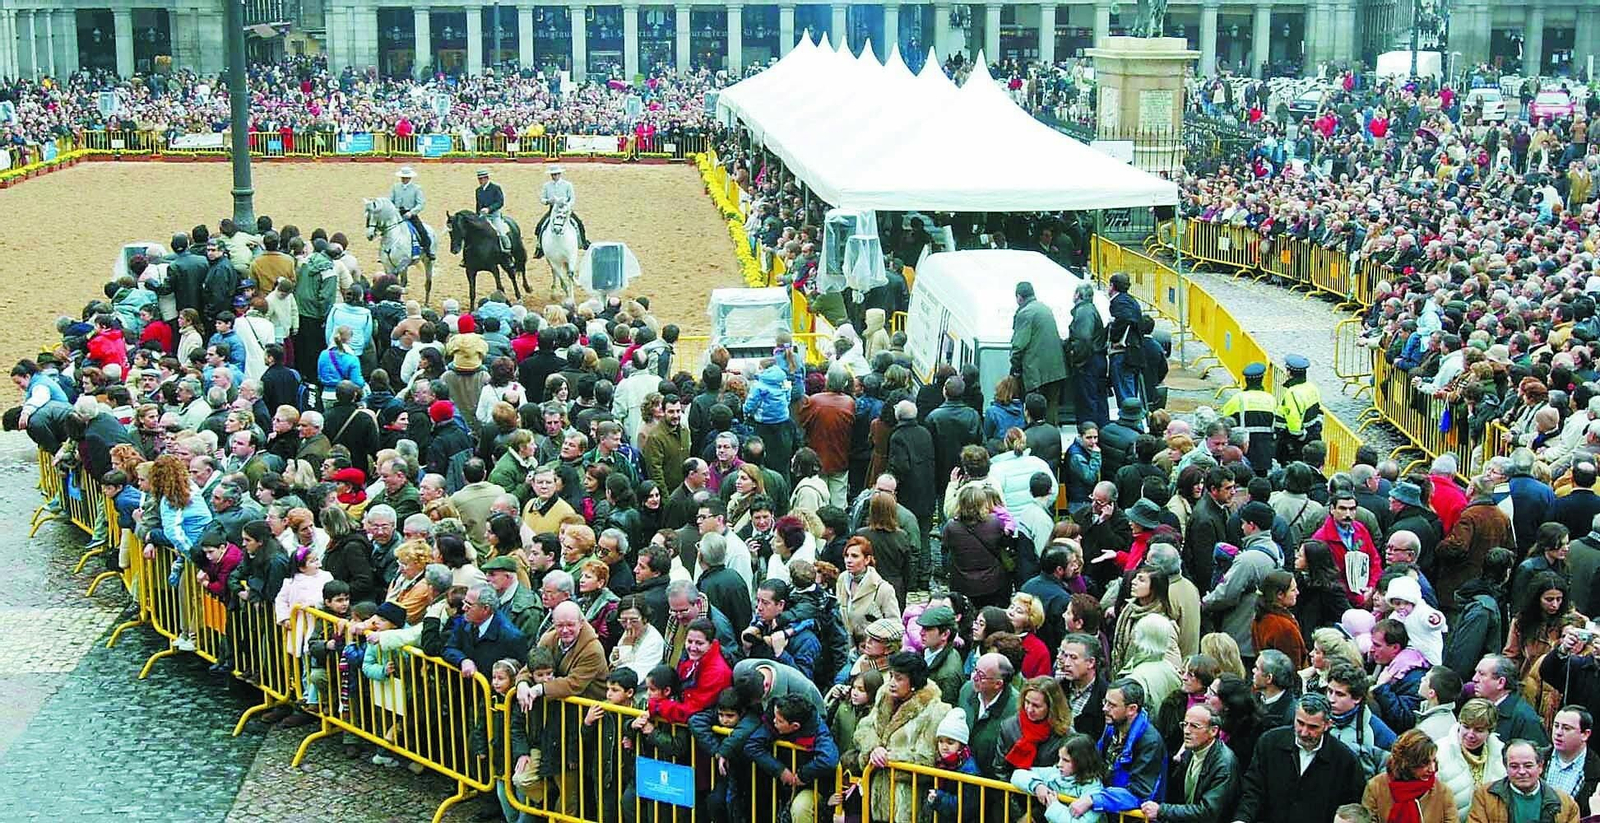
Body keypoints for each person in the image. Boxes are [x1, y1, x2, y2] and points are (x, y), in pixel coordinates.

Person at [1230, 693, 1366, 823]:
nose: (1304, 732)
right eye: (1300, 723)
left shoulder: (1345, 761)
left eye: (1313, 727)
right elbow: (1253, 790)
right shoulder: (1270, 743)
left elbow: (1349, 810)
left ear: (1327, 725)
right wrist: (1242, 818)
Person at [853, 651, 953, 823]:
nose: (891, 683)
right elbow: (864, 727)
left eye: (898, 678)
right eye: (891, 676)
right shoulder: (884, 695)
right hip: (876, 797)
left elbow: (927, 759)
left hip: (908, 804)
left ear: (913, 680)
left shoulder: (936, 710)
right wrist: (873, 748)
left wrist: (888, 757)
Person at [1068, 678, 1165, 816]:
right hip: (1110, 808)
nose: (1104, 708)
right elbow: (1097, 762)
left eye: (1112, 705)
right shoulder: (1112, 726)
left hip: (1133, 816)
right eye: (1105, 702)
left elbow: (1139, 792)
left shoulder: (1150, 742)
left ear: (1132, 709)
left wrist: (1093, 799)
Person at [1140, 702, 1241, 823]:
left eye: (1194, 726)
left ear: (1213, 731)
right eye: (1185, 724)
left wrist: (1162, 811)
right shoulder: (1190, 752)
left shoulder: (1224, 763)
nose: (1187, 731)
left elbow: (1209, 812)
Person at [1464, 739, 1580, 823]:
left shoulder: (1565, 803)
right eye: (1514, 766)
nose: (1522, 771)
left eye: (1528, 766)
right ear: (1505, 767)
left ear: (1540, 767)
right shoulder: (1485, 796)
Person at [1361, 729, 1458, 823]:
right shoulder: (1375, 788)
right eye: (1424, 763)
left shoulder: (1443, 792)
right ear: (1406, 763)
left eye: (1433, 761)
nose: (1432, 769)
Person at [1436, 698, 1507, 818]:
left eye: (1479, 730)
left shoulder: (1501, 753)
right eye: (1466, 727)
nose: (1470, 734)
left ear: (1490, 731)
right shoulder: (1439, 752)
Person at [1011, 281, 1069, 425]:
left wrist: (1015, 367)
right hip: (1056, 370)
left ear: (1019, 297)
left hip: (1036, 373)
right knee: (1051, 408)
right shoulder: (1045, 309)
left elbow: (1019, 345)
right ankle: (1051, 437)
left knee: (1034, 410)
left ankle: (1036, 441)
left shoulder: (1025, 313)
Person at [1471, 655, 1549, 746]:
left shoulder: (1525, 719)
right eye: (1476, 673)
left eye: (1481, 674)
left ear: (1501, 682)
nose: (1474, 679)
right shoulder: (1476, 706)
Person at [1221, 363, 1277, 476]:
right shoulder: (1271, 399)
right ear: (1262, 380)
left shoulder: (1238, 399)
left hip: (1244, 449)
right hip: (1265, 450)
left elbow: (1225, 421)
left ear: (1246, 380)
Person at [1545, 706, 1599, 817]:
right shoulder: (1537, 759)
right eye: (1556, 726)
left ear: (1585, 734)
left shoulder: (1596, 771)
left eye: (1566, 728)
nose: (1558, 732)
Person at [1275, 355, 1321, 464]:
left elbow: (1294, 424)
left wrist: (1301, 437)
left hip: (1294, 443)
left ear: (1289, 373)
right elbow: (1318, 411)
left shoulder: (1292, 393)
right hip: (1312, 435)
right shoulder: (1312, 388)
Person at [534, 166, 589, 256]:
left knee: (579, 223)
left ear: (560, 174)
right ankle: (539, 247)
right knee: (540, 226)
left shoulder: (567, 185)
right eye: (552, 175)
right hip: (553, 209)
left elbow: (572, 199)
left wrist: (567, 206)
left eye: (556, 174)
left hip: (565, 209)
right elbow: (542, 199)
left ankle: (583, 242)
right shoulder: (547, 186)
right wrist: (548, 201)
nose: (554, 176)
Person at [389, 166, 429, 258]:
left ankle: (427, 250)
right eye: (403, 178)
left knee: (422, 231)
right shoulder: (395, 187)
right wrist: (393, 210)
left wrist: (411, 212)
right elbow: (390, 200)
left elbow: (420, 204)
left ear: (410, 178)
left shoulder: (416, 188)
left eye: (406, 178)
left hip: (410, 214)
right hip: (397, 214)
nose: (404, 179)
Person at [473, 167, 512, 258]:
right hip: (483, 216)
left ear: (487, 178)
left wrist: (489, 209)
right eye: (479, 179)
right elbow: (478, 204)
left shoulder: (495, 188)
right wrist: (477, 215)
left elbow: (500, 202)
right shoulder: (478, 190)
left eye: (482, 178)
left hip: (494, 215)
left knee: (501, 231)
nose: (480, 181)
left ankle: (507, 250)